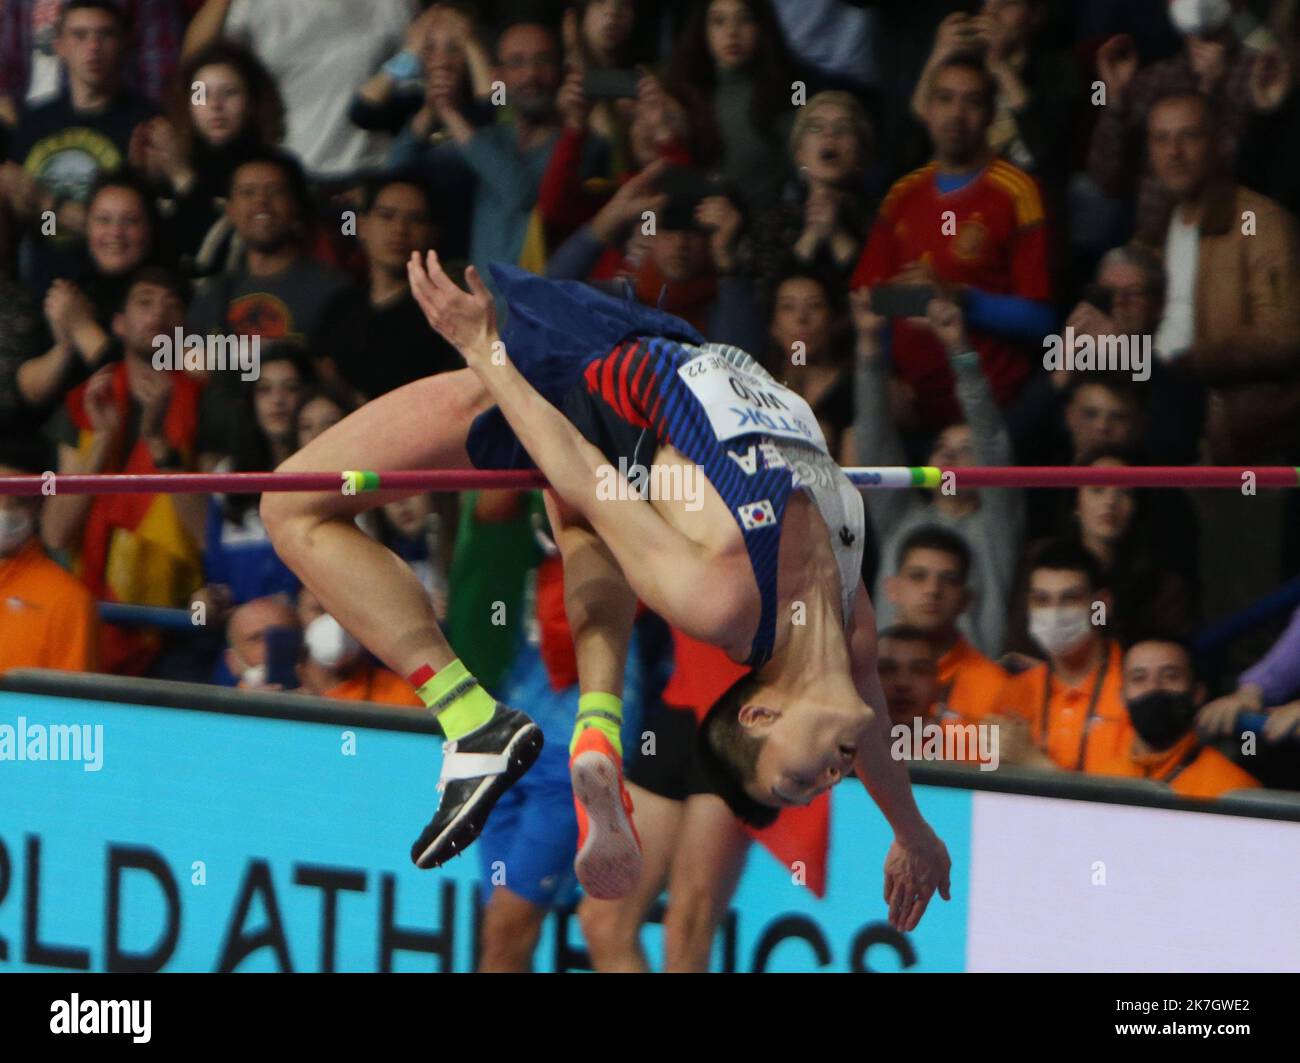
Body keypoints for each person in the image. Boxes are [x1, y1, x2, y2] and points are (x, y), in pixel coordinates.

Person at [260, 253, 951, 931]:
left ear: (763, 715)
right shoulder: (849, 613)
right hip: (648, 348)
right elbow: (874, 730)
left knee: (289, 506)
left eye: (796, 783)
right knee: (588, 523)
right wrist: (912, 830)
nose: (826, 782)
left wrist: (485, 352)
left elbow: (588, 477)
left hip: (579, 373)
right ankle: (594, 728)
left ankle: (473, 713)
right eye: (809, 787)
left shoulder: (720, 599)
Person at [851, 52, 1054, 432]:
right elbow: (867, 298)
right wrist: (886, 377)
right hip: (910, 411)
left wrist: (957, 297)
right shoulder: (902, 195)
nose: (956, 114)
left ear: (992, 115)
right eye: (944, 99)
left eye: (972, 101)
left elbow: (1042, 320)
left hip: (991, 412)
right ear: (926, 109)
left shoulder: (1018, 192)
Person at [42, 264, 203, 675]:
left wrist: (157, 441)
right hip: (90, 615)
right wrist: (102, 441)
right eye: (144, 301)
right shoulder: (84, 402)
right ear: (117, 323)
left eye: (171, 306)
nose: (157, 314)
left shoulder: (209, 404)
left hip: (180, 625)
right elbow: (57, 532)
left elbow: (207, 537)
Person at [852, 280, 1024, 658]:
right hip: (891, 686)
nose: (950, 457)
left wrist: (958, 349)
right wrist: (868, 345)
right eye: (942, 449)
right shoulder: (900, 517)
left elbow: (991, 437)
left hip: (970, 698)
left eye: (966, 451)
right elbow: (874, 436)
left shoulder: (996, 526)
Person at [310, 176, 459, 403]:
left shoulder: (447, 314)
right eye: (386, 216)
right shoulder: (338, 307)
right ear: (362, 227)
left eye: (416, 219)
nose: (400, 229)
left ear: (432, 233)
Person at [1000, 540, 1133, 773]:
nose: (1054, 613)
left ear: (1101, 607)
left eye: (1070, 599)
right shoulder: (1015, 692)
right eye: (1041, 600)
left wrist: (1034, 763)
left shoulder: (1136, 687)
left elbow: (1127, 801)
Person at [1093, 635, 1262, 799]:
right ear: (1121, 697)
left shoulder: (1232, 789)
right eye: (1139, 678)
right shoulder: (1100, 782)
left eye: (1171, 676)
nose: (1154, 688)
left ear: (1198, 693)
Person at [883, 524, 1009, 723]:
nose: (933, 589)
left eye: (949, 580)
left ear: (966, 599)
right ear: (892, 589)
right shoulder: (859, 671)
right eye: (918, 576)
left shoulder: (996, 686)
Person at [0, 439, 99, 676]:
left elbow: (70, 709)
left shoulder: (67, 601)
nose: (4, 511)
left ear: (38, 505)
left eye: (20, 499)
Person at [296, 587, 423, 708]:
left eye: (344, 612)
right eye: (320, 610)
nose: (334, 620)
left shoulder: (404, 698)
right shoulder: (283, 702)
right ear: (299, 613)